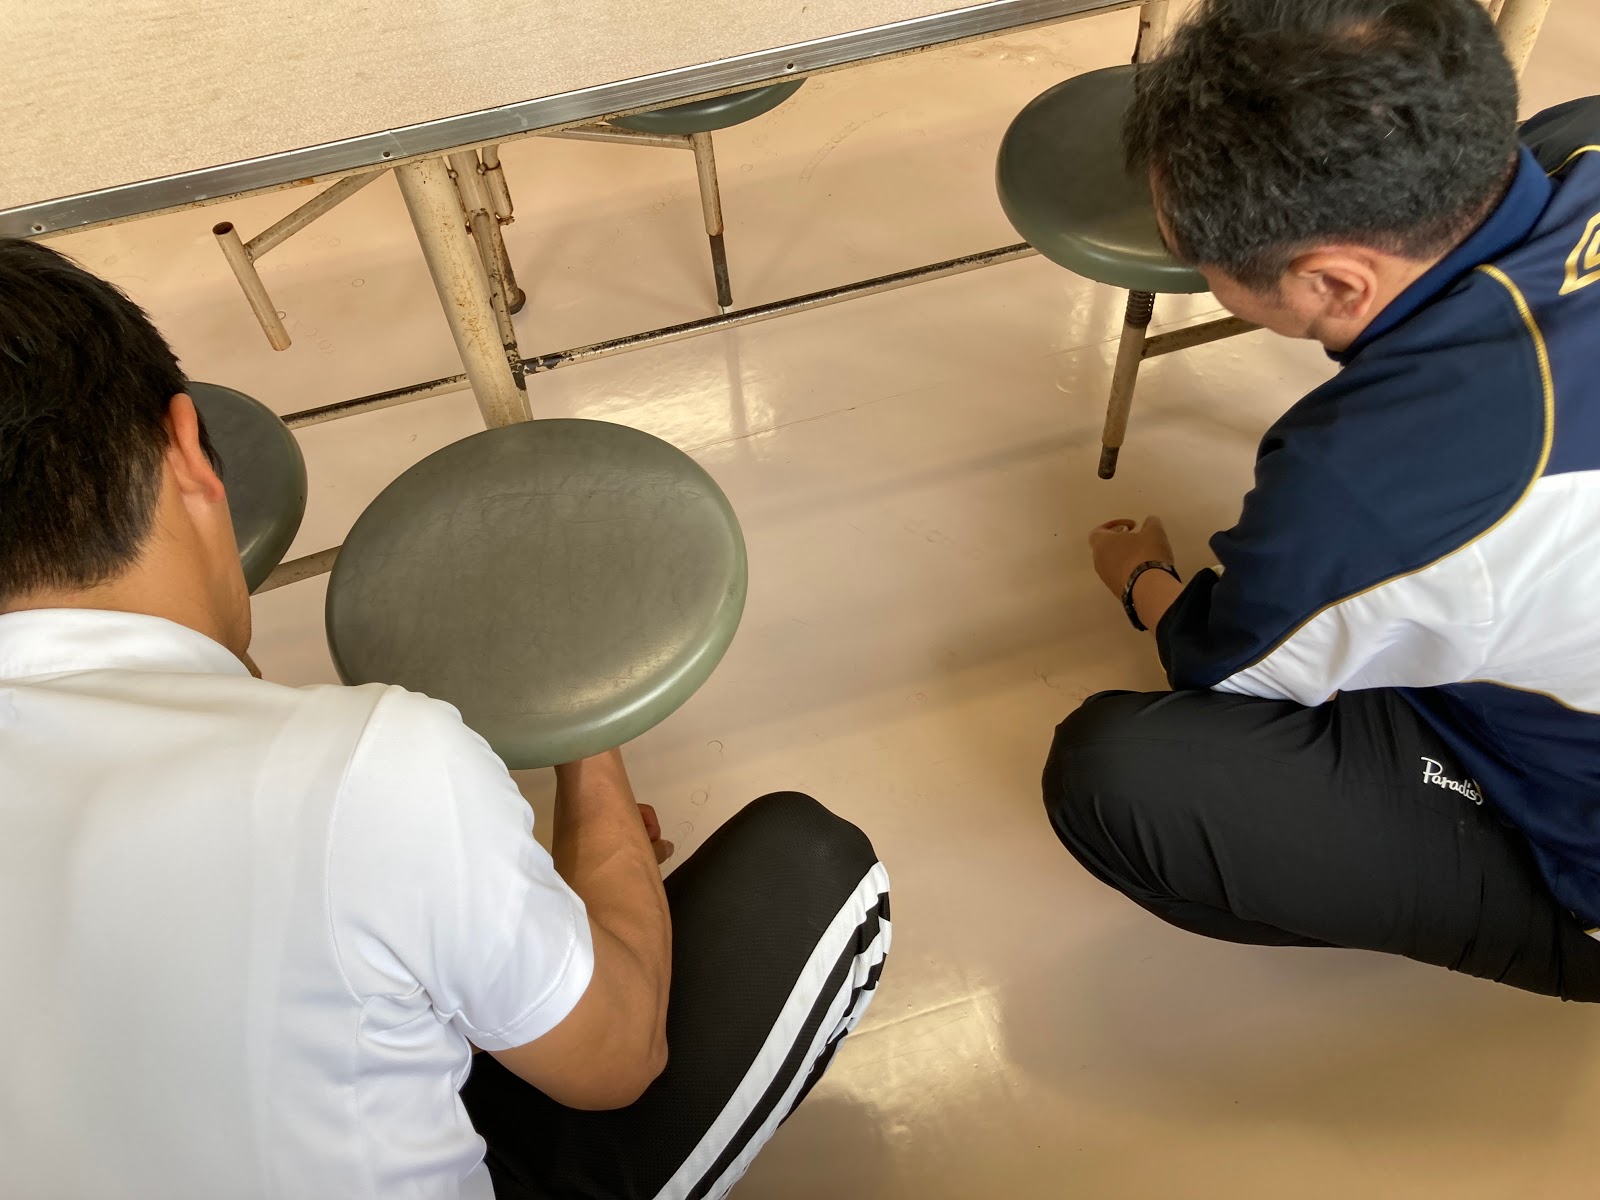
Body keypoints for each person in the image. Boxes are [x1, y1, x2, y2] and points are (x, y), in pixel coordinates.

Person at [0, 236, 890, 1198]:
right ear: (188, 448)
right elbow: (619, 1058)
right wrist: (585, 742)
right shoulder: (371, 769)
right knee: (814, 864)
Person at [1043, 0, 1600, 1000]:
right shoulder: (1580, 139)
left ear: (1334, 283)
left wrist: (1141, 578)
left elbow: (1224, 666)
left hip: (1579, 841)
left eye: (1197, 253)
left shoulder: (1365, 480)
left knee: (1116, 777)